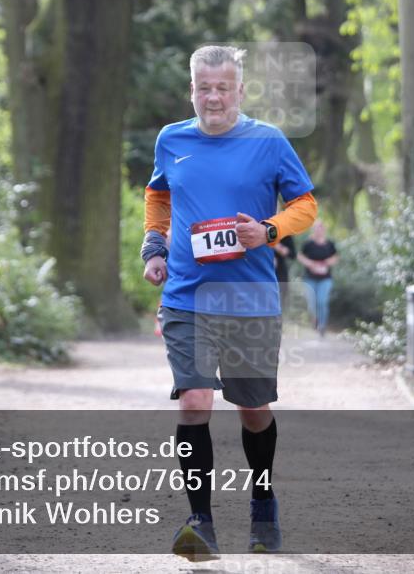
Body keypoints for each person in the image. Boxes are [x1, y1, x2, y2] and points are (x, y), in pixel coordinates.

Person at [141, 45, 317, 560]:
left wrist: (269, 230)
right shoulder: (172, 139)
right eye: (203, 87)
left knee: (253, 410)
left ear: (240, 90)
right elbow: (158, 195)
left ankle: (263, 503)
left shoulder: (268, 141)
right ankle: (201, 522)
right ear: (191, 89)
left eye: (222, 87)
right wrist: (155, 245)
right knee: (195, 402)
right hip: (186, 296)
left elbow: (305, 204)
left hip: (250, 297)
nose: (212, 96)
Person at [299, 219, 338, 336]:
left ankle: (322, 326)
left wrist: (327, 262)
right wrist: (310, 263)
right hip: (310, 278)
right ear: (313, 230)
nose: (318, 230)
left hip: (325, 279)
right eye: (316, 228)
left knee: (322, 301)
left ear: (324, 230)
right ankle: (314, 320)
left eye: (320, 228)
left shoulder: (329, 244)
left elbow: (335, 257)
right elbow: (300, 256)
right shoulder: (308, 244)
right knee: (311, 303)